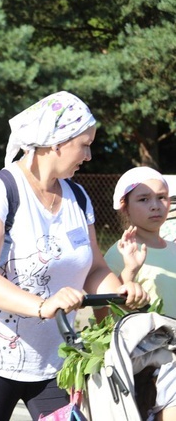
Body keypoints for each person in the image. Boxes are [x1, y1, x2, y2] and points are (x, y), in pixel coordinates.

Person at [0, 91, 149, 421]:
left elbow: (94, 268)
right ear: (57, 142)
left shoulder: (79, 196)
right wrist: (42, 306)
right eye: (84, 144)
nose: (88, 155)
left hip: (55, 358)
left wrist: (121, 293)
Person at [103, 167, 176, 420]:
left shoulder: (174, 248)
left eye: (162, 197)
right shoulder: (117, 255)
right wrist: (130, 273)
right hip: (148, 367)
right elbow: (105, 316)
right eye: (144, 199)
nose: (155, 206)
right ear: (125, 207)